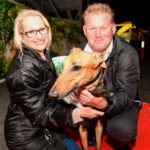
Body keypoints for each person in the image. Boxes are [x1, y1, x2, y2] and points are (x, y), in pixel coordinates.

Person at [4, 9, 104, 150]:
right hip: (28, 136)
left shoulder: (47, 54)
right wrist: (76, 113)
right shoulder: (22, 71)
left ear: (47, 29)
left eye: (41, 29)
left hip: (50, 126)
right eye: (31, 32)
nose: (39, 36)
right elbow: (39, 115)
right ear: (22, 36)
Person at [76, 3, 141, 150]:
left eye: (103, 28)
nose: (98, 35)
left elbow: (125, 95)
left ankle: (112, 132)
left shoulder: (128, 54)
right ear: (85, 31)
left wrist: (102, 103)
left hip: (120, 99)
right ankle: (93, 130)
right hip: (92, 99)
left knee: (123, 130)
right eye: (92, 28)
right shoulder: (78, 52)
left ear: (112, 29)